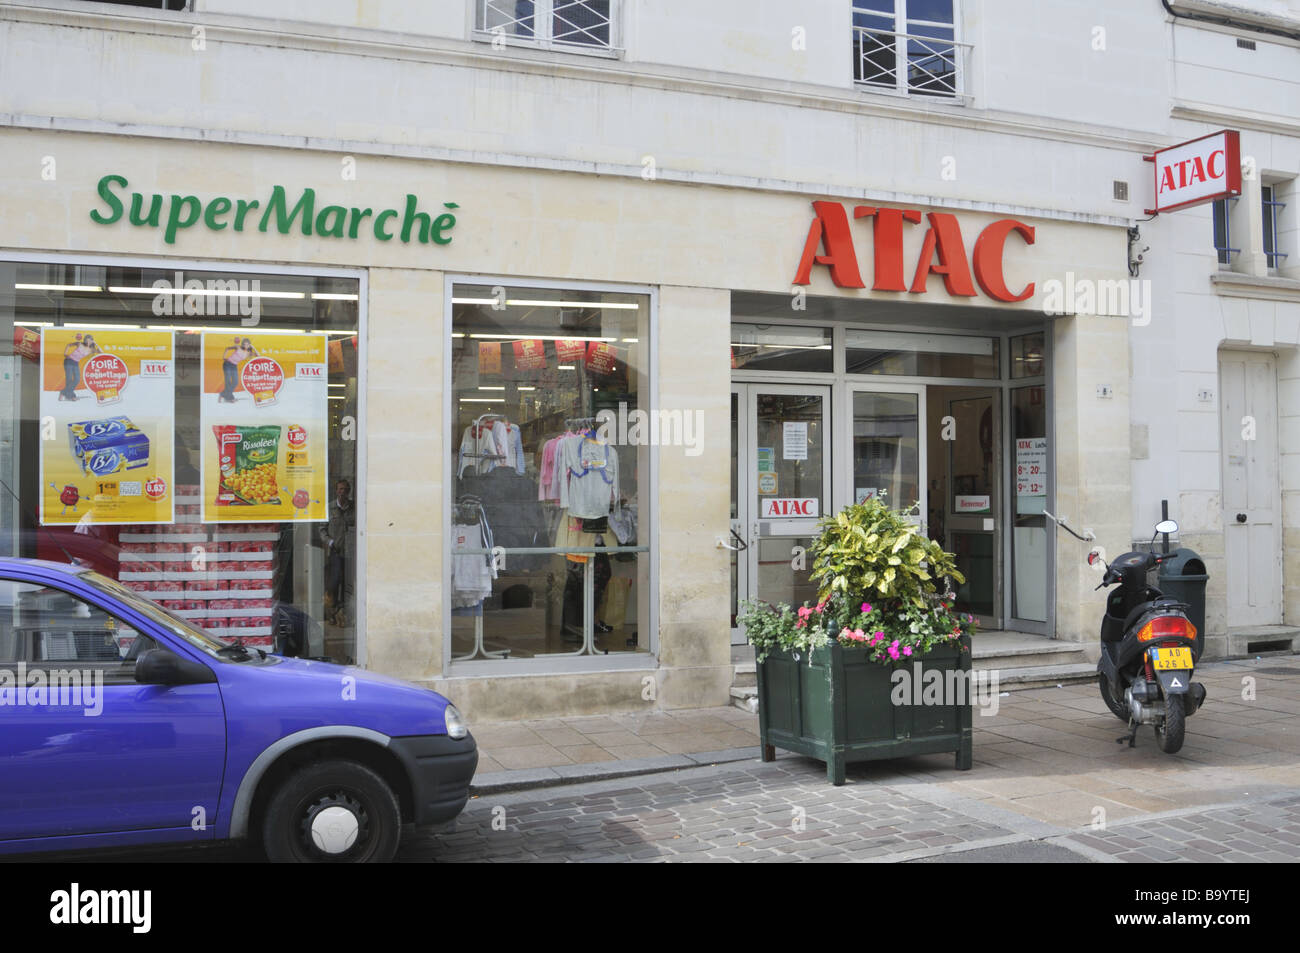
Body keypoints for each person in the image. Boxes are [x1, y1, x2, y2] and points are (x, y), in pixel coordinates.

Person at [320, 478, 355, 625]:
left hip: (351, 553)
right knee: (334, 582)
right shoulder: (330, 508)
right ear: (336, 491)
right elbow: (322, 530)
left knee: (347, 583)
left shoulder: (354, 507)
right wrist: (330, 542)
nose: (343, 492)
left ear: (349, 492)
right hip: (335, 552)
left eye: (346, 489)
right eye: (340, 489)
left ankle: (343, 613)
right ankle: (332, 612)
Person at [219, 337, 258, 402]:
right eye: (245, 344)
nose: (246, 346)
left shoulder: (248, 353)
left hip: (234, 366)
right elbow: (227, 348)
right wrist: (224, 357)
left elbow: (258, 355)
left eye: (248, 344)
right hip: (227, 364)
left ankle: (223, 394)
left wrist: (253, 347)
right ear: (242, 344)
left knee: (235, 382)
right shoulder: (238, 347)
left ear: (249, 345)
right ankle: (229, 397)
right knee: (228, 380)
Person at [60, 334, 98, 400]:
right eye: (86, 340)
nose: (88, 341)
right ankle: (70, 396)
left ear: (92, 341)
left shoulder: (91, 350)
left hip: (76, 362)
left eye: (89, 340)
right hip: (69, 360)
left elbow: (101, 352)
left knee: (77, 379)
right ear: (84, 340)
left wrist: (96, 343)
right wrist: (65, 354)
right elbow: (69, 345)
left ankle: (63, 392)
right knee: (69, 379)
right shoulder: (79, 344)